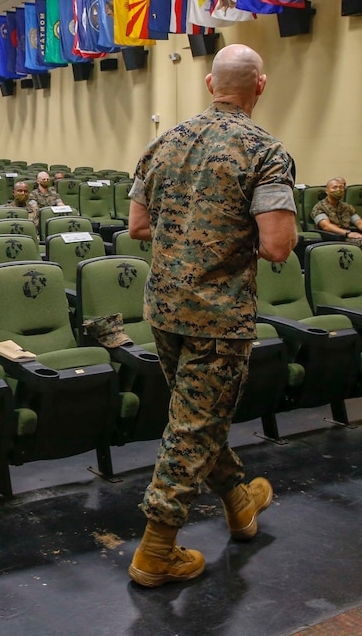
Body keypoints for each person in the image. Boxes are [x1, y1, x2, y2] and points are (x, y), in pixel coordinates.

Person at [126, 44, 297, 587]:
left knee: (198, 419)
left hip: (165, 308)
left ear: (208, 84)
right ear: (260, 87)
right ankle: (156, 551)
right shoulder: (266, 151)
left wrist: (187, 239)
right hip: (218, 316)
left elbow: (137, 225)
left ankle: (240, 504)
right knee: (192, 428)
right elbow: (277, 247)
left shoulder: (162, 142)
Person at [311, 177, 362, 244]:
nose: (338, 190)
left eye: (341, 187)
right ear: (327, 191)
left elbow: (358, 222)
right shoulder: (319, 207)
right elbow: (326, 226)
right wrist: (347, 233)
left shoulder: (347, 207)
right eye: (334, 187)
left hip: (348, 236)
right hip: (331, 238)